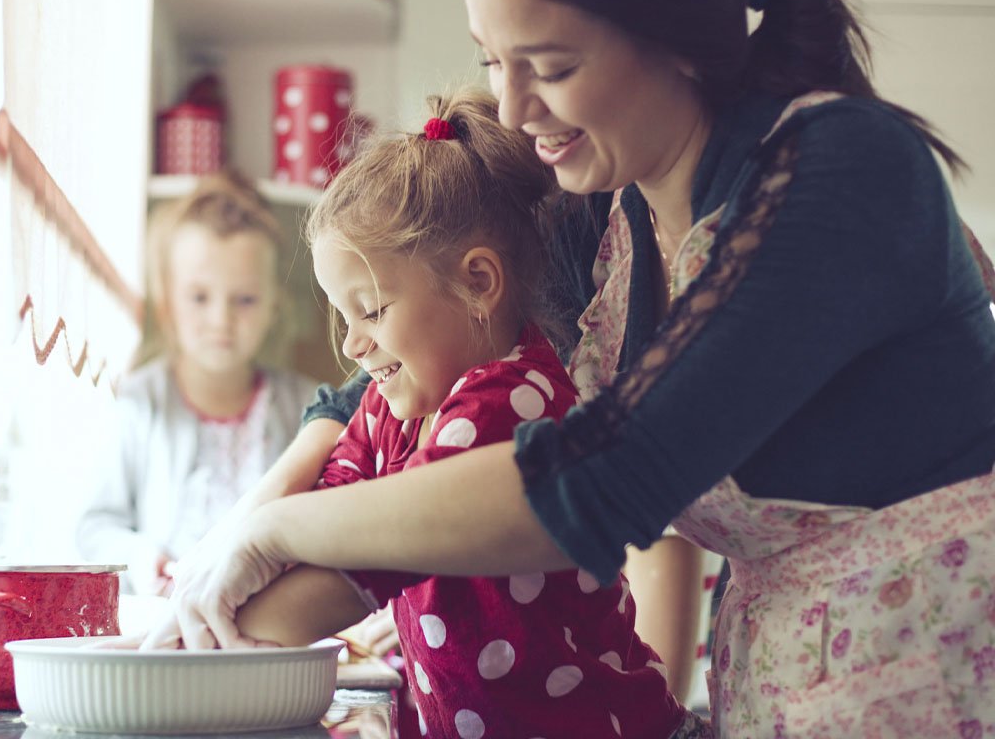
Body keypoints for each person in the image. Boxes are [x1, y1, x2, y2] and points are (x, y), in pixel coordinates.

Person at [158, 0, 995, 736]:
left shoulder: (840, 171)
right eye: (494, 60)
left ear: (677, 42)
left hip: (942, 679)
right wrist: (235, 548)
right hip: (788, 690)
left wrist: (277, 532)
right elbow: (382, 381)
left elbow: (601, 477)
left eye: (552, 67)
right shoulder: (605, 213)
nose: (517, 110)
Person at [231, 89, 697, 738]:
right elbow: (335, 495)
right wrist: (235, 560)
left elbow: (362, 560)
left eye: (371, 310)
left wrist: (219, 612)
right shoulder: (397, 403)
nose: (351, 343)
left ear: (478, 283)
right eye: (344, 316)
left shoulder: (509, 402)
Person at [74, 171, 319, 596]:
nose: (220, 320)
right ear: (168, 304)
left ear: (273, 307)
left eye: (244, 300)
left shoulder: (310, 409)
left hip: (271, 627)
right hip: (165, 626)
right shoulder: (139, 402)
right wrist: (142, 558)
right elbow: (96, 524)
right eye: (199, 298)